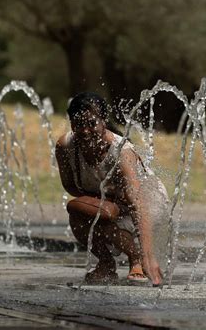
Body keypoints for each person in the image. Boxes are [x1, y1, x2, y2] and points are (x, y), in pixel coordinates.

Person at [55, 92, 168, 286]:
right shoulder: (65, 146)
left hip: (147, 200)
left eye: (91, 123)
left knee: (104, 215)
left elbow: (136, 202)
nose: (85, 131)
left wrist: (150, 256)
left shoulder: (121, 151)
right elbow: (71, 187)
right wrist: (104, 199)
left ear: (103, 121)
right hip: (110, 198)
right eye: (78, 124)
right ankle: (106, 264)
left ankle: (138, 259)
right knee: (78, 210)